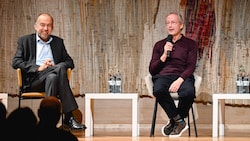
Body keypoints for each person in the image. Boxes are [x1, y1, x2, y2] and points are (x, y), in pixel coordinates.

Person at [12, 13, 86, 130]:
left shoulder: (58, 42)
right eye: (42, 25)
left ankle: (47, 124)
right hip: (34, 81)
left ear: (52, 27)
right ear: (36, 26)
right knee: (59, 69)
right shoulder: (25, 41)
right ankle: (69, 117)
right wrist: (38, 68)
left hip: (54, 80)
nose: (45, 28)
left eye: (49, 25)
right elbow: (16, 62)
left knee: (53, 76)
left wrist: (54, 66)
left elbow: (70, 62)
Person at [149, 12, 198, 137]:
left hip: (182, 76)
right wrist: (164, 55)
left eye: (173, 22)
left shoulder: (190, 44)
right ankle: (179, 121)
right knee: (158, 90)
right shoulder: (160, 45)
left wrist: (180, 80)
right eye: (168, 23)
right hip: (163, 76)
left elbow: (191, 66)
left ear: (181, 25)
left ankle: (174, 121)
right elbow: (152, 70)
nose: (170, 25)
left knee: (188, 92)